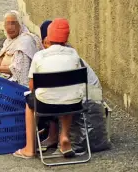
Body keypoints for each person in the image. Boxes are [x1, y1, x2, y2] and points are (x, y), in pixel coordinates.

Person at [13, 18, 84, 159]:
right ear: (66, 37)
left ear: (49, 37)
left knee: (30, 103)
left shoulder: (40, 56)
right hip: (74, 103)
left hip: (46, 105)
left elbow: (32, 86)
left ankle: (29, 149)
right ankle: (64, 136)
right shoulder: (74, 54)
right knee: (67, 95)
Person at [38, 20, 103, 152]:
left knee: (49, 97)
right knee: (59, 94)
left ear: (47, 40)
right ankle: (57, 136)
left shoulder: (46, 57)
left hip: (86, 97)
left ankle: (42, 140)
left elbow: (34, 84)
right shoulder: (71, 53)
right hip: (84, 93)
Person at [0, 10, 43, 87]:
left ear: (20, 24)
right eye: (7, 23)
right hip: (6, 79)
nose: (10, 27)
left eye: (13, 23)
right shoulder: (8, 42)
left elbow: (17, 70)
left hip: (18, 86)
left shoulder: (25, 41)